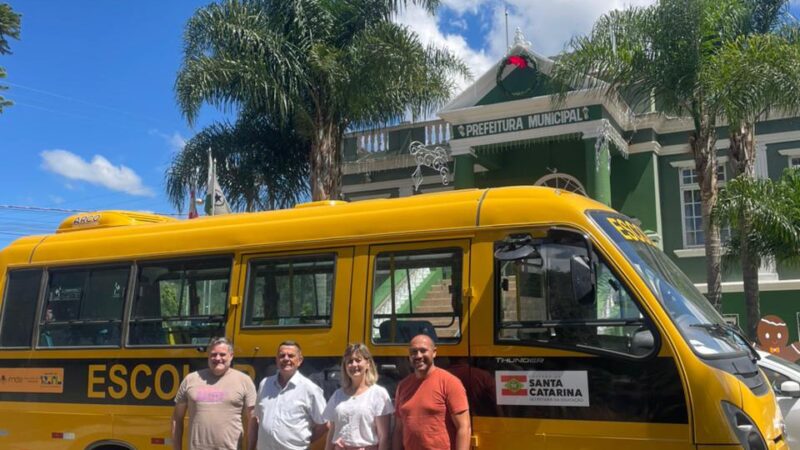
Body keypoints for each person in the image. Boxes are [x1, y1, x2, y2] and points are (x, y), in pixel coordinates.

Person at [171, 337, 256, 450]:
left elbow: (253, 421)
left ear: (231, 356)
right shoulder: (190, 380)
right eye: (213, 354)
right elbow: (177, 419)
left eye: (222, 354)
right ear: (208, 356)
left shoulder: (244, 381)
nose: (217, 358)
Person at [393, 334, 470, 450]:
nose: (418, 356)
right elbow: (398, 429)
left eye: (423, 351)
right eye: (414, 352)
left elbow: (464, 427)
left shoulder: (450, 383)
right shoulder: (403, 386)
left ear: (434, 353)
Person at [248, 340, 328, 450]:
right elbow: (257, 418)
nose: (286, 359)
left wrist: (305, 441)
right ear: (276, 360)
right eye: (282, 356)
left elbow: (324, 424)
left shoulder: (310, 389)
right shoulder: (265, 384)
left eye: (291, 356)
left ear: (300, 360)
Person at [323, 343, 393, 450]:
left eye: (358, 360)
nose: (354, 364)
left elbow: (384, 437)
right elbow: (332, 431)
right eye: (350, 361)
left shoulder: (378, 394)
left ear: (368, 363)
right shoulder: (338, 395)